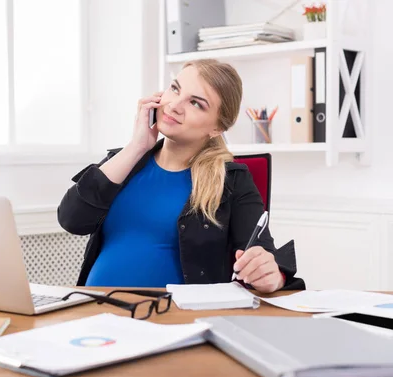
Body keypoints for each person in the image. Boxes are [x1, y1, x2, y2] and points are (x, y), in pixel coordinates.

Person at [57, 59, 304, 292]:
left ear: (217, 127)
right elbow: (72, 220)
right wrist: (136, 146)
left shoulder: (232, 181)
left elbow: (262, 255)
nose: (175, 105)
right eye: (175, 89)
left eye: (196, 103)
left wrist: (271, 273)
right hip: (93, 312)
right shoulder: (124, 162)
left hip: (173, 320)